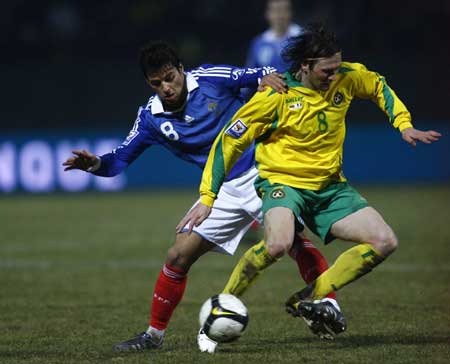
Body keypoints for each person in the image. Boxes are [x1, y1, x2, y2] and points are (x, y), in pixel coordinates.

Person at [62, 41, 344, 352]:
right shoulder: (150, 118)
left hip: (266, 172)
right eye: (157, 83)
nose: (166, 87)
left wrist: (265, 80)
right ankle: (153, 337)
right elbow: (117, 162)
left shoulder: (212, 78)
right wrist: (95, 165)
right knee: (178, 255)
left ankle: (330, 305)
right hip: (221, 189)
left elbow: (262, 73)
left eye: (170, 77)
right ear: (148, 84)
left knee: (292, 242)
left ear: (181, 70)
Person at [177, 24, 442, 332]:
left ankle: (307, 298)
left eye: (337, 67)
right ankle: (223, 305)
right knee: (278, 244)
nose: (334, 75)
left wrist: (403, 124)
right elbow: (228, 144)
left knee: (385, 241)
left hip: (329, 188)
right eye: (326, 71)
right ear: (305, 65)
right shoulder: (275, 96)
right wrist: (208, 197)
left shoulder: (346, 76)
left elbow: (378, 86)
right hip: (283, 184)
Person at [247, 0, 302, 72]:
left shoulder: (302, 38)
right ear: (267, 14)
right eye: (275, 11)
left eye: (284, 10)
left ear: (291, 12)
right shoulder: (259, 43)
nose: (279, 16)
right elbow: (250, 73)